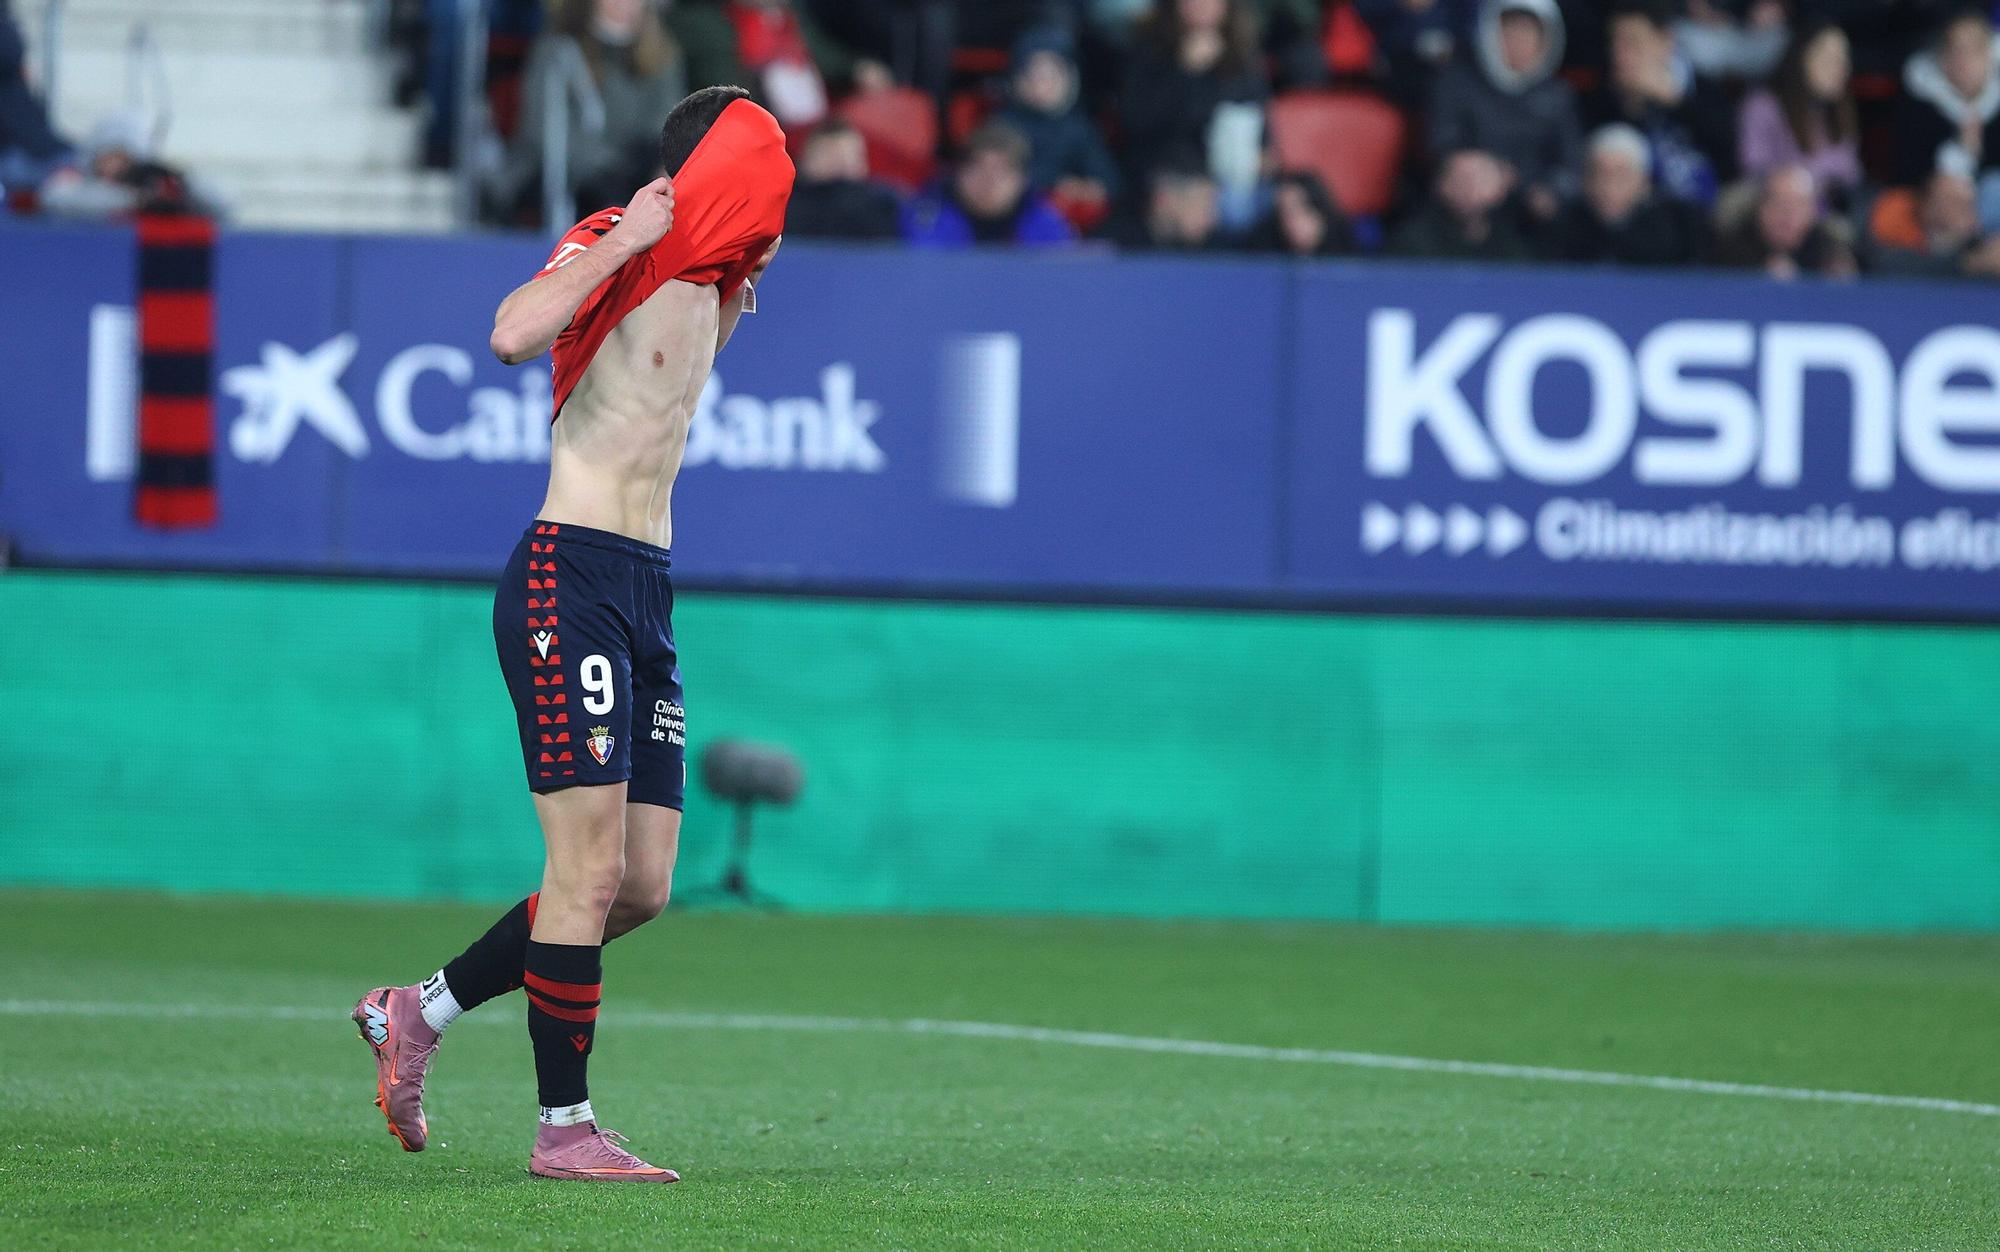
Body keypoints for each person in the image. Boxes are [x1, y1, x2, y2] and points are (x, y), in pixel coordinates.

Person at [353, 86, 793, 1184]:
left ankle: (420, 1007)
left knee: (639, 885)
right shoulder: (620, 236)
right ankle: (565, 1129)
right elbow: (509, 334)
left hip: (646, 588)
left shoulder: (714, 281)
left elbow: (669, 397)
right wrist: (630, 234)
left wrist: (737, 280)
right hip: (569, 574)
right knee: (583, 871)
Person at [498, 0, 688, 218]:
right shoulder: (558, 50)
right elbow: (545, 133)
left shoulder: (662, 53)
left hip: (634, 173)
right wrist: (613, 170)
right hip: (566, 179)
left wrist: (660, 166)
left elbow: (665, 123)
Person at [1427, 0, 1581, 220]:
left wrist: (1548, 190)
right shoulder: (1457, 82)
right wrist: (1481, 170)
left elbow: (1570, 164)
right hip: (1466, 202)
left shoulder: (1558, 96)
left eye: (1529, 33)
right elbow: (1442, 143)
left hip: (1531, 213)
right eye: (1510, 31)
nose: (1519, 42)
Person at [1586, 0, 1739, 208]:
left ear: (1666, 40)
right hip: (1640, 214)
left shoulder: (1702, 88)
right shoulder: (1603, 94)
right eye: (1615, 42)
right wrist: (1630, 108)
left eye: (1632, 42)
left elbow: (1731, 160)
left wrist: (1676, 103)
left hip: (1705, 207)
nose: (1619, 54)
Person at [1116, 0, 1268, 195]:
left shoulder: (1241, 52)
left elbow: (1258, 114)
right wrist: (1185, 71)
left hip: (1231, 174)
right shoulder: (1149, 46)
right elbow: (1137, 120)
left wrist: (1262, 154)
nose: (1201, 4)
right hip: (1165, 171)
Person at [671, 0, 891, 133]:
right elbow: (723, 90)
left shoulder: (786, 16)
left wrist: (857, 69)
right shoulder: (704, 22)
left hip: (817, 124)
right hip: (767, 131)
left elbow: (821, 52)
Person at [995, 27, 1122, 219]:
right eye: (1032, 76)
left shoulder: (1080, 128)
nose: (1041, 86)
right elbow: (994, 178)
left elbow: (1109, 180)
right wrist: (1056, 185)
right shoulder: (1001, 126)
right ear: (1016, 79)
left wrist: (1089, 188)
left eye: (1051, 76)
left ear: (1069, 79)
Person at [1738, 21, 1864, 209]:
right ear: (1801, 59)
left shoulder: (1838, 111)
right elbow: (1753, 170)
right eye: (1830, 59)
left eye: (1844, 59)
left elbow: (1850, 174)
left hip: (1826, 213)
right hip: (1774, 210)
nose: (1842, 69)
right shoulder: (1763, 105)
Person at [1540, 123, 1704, 266]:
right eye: (1599, 174)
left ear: (1644, 182)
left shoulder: (1676, 228)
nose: (1607, 187)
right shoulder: (1564, 227)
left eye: (1621, 175)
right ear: (1585, 180)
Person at [901, 121, 1075, 247]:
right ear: (959, 174)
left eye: (1003, 172)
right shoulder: (928, 217)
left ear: (1021, 180)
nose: (989, 181)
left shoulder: (1044, 222)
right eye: (978, 169)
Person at [1895, 7, 2000, 189]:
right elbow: (1907, 174)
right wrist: (1958, 150)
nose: (1964, 60)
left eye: (1974, 49)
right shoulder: (1918, 103)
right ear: (1942, 56)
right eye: (1956, 49)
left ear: (1989, 54)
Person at [1713, 162, 1857, 279]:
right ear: (1760, 207)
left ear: (1812, 212)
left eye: (1798, 205)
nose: (1787, 214)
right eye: (1779, 203)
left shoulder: (1828, 248)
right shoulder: (1731, 248)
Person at [1389, 147, 1533, 260]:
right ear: (1441, 185)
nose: (1471, 189)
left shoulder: (1511, 243)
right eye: (1462, 180)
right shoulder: (1413, 242)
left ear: (1501, 188)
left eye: (1482, 180)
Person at [785, 116, 902, 239]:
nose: (840, 164)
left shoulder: (884, 204)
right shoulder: (785, 206)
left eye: (848, 156)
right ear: (806, 159)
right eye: (829, 154)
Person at [1110, 163, 1227, 249]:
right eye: (1203, 207)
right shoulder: (1113, 250)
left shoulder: (1220, 252)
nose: (1212, 220)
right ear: (1164, 200)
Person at [1242, 169, 1353, 255]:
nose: (1291, 220)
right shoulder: (1263, 247)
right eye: (1284, 211)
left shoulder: (1348, 248)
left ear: (1320, 211)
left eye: (1300, 208)